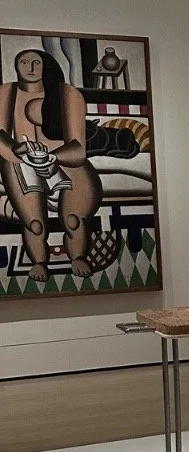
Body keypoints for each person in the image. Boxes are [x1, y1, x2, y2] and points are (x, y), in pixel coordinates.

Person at [0, 49, 102, 281]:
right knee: (35, 223)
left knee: (74, 219)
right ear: (16, 66)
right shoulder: (6, 92)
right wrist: (16, 151)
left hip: (63, 159)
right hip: (20, 160)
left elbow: (78, 149)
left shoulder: (67, 93)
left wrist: (53, 157)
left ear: (46, 65)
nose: (30, 68)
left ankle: (78, 256)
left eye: (36, 62)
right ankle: (39, 262)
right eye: (24, 62)